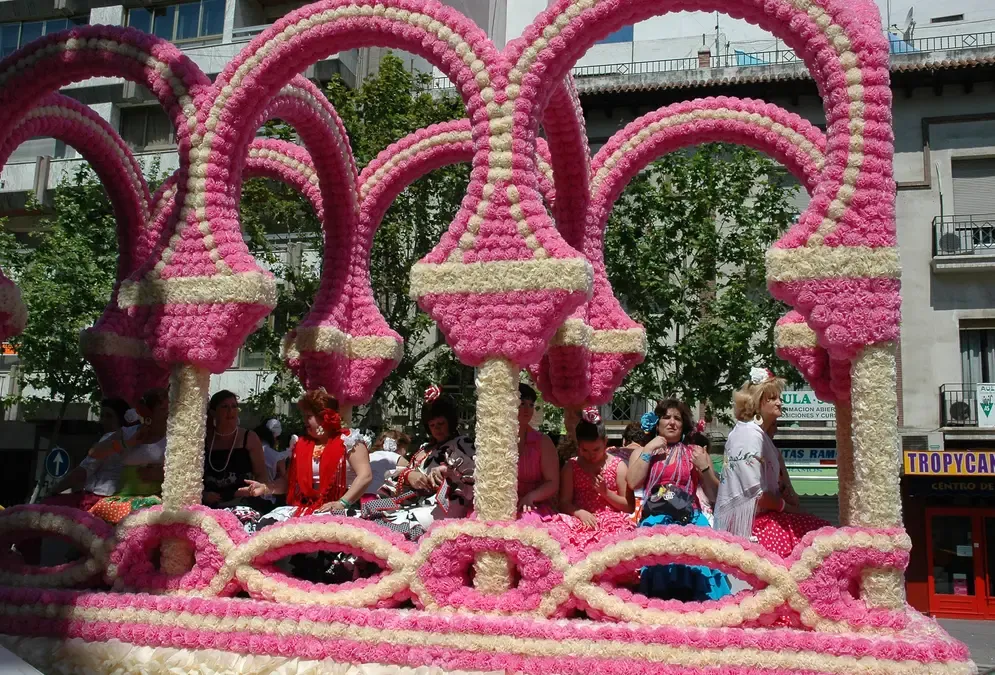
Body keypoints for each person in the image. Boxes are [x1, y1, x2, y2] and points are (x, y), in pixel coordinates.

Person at [714, 368, 830, 558]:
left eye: (779, 397)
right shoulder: (748, 435)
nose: (780, 402)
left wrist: (779, 461)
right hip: (753, 527)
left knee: (823, 537)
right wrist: (789, 508)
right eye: (773, 398)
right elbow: (757, 494)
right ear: (758, 402)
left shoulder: (759, 437)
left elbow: (789, 494)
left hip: (763, 520)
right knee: (822, 539)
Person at [628, 398, 730, 602]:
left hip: (689, 521)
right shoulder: (642, 451)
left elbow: (714, 495)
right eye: (666, 417)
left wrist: (705, 468)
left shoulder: (695, 452)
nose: (672, 422)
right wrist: (648, 450)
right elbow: (632, 482)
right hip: (656, 522)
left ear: (684, 424)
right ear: (657, 424)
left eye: (677, 418)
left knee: (700, 580)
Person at [239, 388, 373, 529]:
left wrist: (342, 502)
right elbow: (288, 483)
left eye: (308, 416)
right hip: (306, 509)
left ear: (324, 417)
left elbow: (365, 476)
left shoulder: (349, 440)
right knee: (266, 527)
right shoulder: (301, 444)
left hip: (342, 509)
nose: (304, 421)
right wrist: (266, 488)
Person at [367, 387, 475, 539]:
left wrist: (446, 471)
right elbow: (399, 475)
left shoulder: (462, 443)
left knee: (390, 526)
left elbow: (475, 476)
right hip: (410, 502)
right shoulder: (424, 448)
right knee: (368, 512)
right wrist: (408, 475)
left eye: (441, 423)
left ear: (450, 422)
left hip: (442, 507)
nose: (437, 429)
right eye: (432, 425)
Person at [553, 408, 634, 549]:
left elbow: (629, 506)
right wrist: (579, 512)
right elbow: (564, 502)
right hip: (579, 520)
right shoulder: (571, 467)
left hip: (611, 523)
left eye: (596, 449)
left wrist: (606, 493)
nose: (591, 455)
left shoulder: (618, 466)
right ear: (578, 446)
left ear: (605, 442)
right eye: (585, 450)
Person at [86, 389, 169, 524]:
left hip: (157, 503)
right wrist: (129, 442)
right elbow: (94, 452)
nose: (168, 412)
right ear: (148, 412)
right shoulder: (127, 433)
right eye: (163, 408)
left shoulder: (175, 439)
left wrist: (162, 474)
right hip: (124, 502)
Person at [42, 397, 131, 511]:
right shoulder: (134, 438)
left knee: (48, 506)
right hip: (119, 499)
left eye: (109, 416)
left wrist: (54, 490)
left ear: (121, 419)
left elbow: (83, 471)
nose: (103, 420)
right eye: (102, 416)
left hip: (97, 500)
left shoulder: (109, 439)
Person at [201, 391, 269, 530]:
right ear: (213, 412)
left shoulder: (249, 437)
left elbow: (262, 475)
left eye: (234, 406)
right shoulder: (204, 439)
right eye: (225, 407)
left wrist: (254, 489)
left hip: (243, 503)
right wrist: (203, 494)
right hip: (210, 505)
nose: (230, 411)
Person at [516, 383, 559, 515]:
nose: (527, 409)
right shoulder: (494, 439)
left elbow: (552, 483)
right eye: (522, 403)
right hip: (500, 505)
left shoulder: (543, 441)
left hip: (533, 506)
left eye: (531, 405)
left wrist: (531, 497)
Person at [255, 418, 287, 483]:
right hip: (266, 491)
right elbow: (284, 481)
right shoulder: (278, 457)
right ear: (275, 436)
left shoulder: (250, 447)